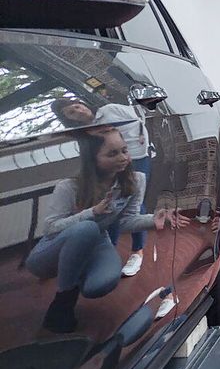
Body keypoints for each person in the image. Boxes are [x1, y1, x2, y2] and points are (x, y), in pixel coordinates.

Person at [25, 128, 186, 333]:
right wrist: (92, 212)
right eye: (112, 154)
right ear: (93, 159)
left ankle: (78, 265)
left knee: (100, 284)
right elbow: (50, 228)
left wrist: (152, 220)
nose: (123, 158)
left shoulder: (135, 180)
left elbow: (125, 221)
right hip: (54, 247)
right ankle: (64, 301)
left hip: (97, 241)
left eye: (124, 150)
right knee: (87, 228)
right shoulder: (69, 187)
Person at [51, 97, 152, 277]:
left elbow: (138, 118)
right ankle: (109, 252)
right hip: (109, 166)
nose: (78, 111)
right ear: (69, 119)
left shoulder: (111, 109)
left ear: (83, 103)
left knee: (134, 202)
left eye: (77, 106)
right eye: (71, 113)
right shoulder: (84, 132)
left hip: (136, 158)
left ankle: (137, 251)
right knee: (109, 205)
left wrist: (140, 142)